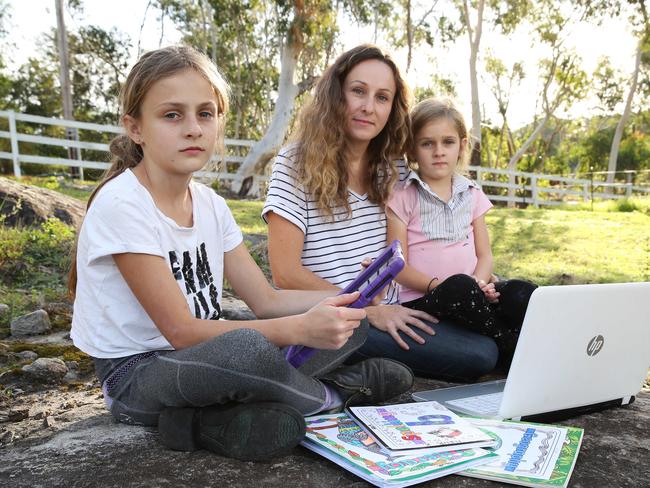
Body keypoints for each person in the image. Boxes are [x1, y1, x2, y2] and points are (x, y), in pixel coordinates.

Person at [68, 45, 414, 462]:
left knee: (349, 321)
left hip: (201, 358)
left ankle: (220, 417)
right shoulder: (123, 203)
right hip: (137, 375)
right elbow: (180, 332)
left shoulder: (210, 204)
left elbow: (265, 300)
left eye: (206, 113)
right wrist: (298, 330)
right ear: (135, 127)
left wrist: (350, 297)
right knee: (245, 350)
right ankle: (337, 394)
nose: (193, 128)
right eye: (172, 115)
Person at [263, 45, 498, 381]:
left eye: (382, 97)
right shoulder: (295, 163)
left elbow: (436, 234)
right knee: (479, 354)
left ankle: (356, 371)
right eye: (358, 91)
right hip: (336, 312)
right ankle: (338, 372)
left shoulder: (395, 169)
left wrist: (473, 280)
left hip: (400, 307)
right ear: (336, 95)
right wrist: (369, 309)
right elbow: (285, 273)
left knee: (491, 333)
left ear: (393, 108)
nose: (368, 107)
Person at [386, 97, 538, 367]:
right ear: (412, 149)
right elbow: (398, 267)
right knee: (458, 286)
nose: (438, 151)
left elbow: (485, 255)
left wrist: (480, 286)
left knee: (520, 291)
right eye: (427, 143)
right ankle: (510, 349)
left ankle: (554, 341)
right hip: (425, 300)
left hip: (473, 294)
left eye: (448, 142)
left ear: (462, 145)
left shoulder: (471, 193)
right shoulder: (403, 196)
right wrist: (447, 287)